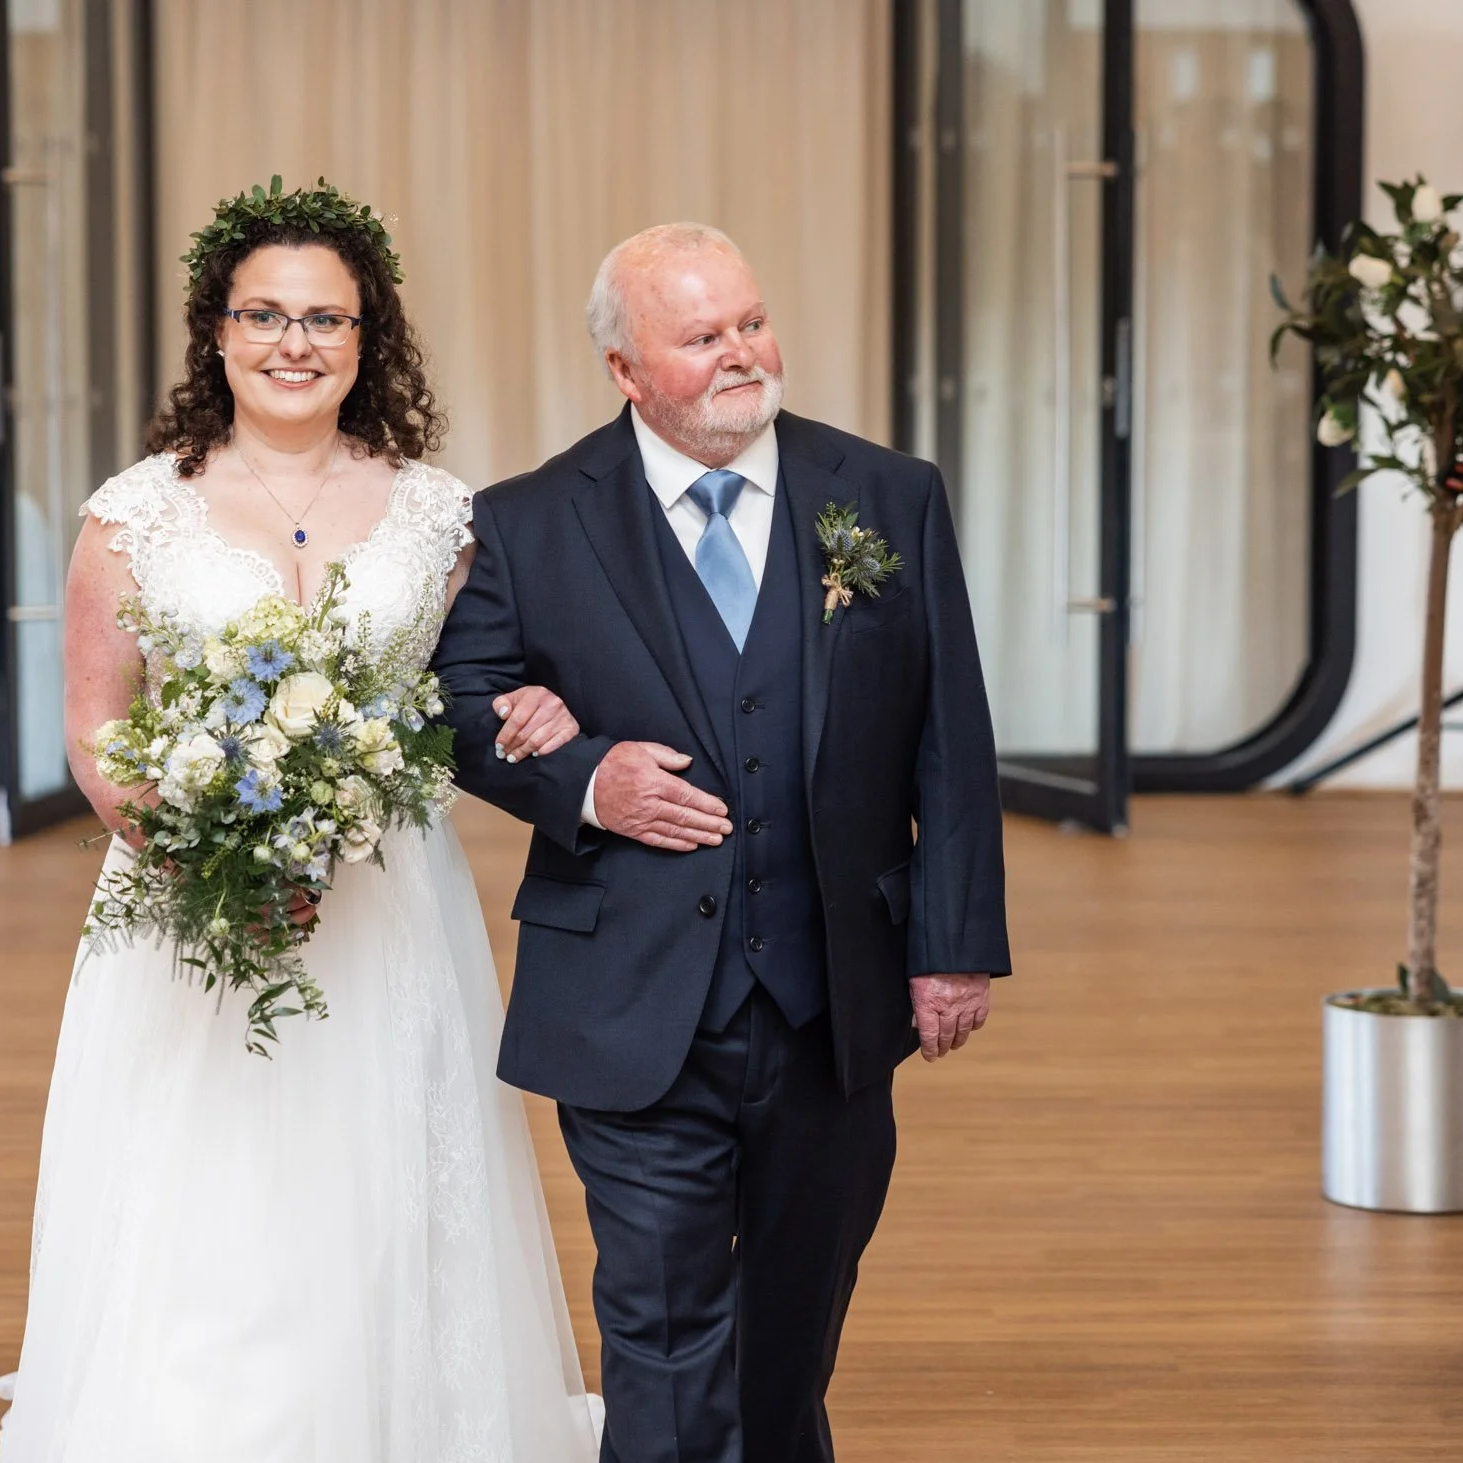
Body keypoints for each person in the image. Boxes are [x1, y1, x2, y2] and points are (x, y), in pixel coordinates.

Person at [0, 181, 599, 1461]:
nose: (293, 343)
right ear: (214, 332)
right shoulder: (133, 513)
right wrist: (203, 853)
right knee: (207, 1172)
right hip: (189, 902)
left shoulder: (439, 515)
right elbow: (97, 728)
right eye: (263, 314)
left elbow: (482, 681)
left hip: (388, 901)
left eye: (326, 319)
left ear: (367, 340)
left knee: (376, 1169)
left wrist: (538, 703)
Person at [432, 222, 1012, 1463]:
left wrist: (950, 944)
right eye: (701, 336)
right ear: (624, 368)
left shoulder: (886, 494)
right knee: (661, 1332)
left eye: (749, 321)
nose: (741, 353)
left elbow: (948, 734)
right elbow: (457, 709)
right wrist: (587, 779)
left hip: (832, 995)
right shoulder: (528, 521)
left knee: (791, 1330)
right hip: (629, 996)